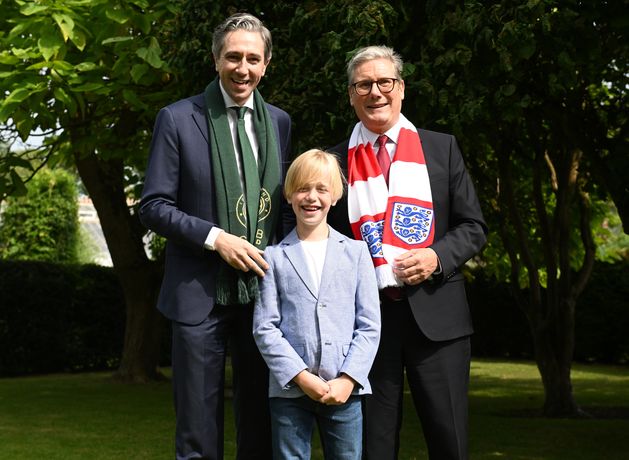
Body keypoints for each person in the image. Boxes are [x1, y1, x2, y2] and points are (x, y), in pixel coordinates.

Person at [139, 13, 291, 460]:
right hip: (198, 294)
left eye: (252, 59)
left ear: (266, 65)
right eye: (233, 57)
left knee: (261, 422)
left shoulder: (280, 123)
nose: (242, 68)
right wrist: (215, 238)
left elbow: (280, 209)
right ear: (215, 59)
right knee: (198, 431)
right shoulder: (178, 118)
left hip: (262, 294)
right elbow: (153, 206)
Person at [327, 46, 488, 460]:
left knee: (448, 441)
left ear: (402, 89)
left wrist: (436, 257)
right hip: (367, 325)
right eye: (364, 84)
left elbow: (473, 227)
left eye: (385, 82)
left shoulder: (442, 148)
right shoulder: (333, 162)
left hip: (439, 320)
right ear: (351, 94)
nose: (375, 92)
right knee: (372, 447)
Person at [253, 149, 381, 460]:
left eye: (321, 189)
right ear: (289, 195)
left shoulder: (356, 253)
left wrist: (349, 378)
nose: (312, 197)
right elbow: (265, 327)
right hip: (290, 390)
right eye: (303, 188)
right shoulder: (273, 257)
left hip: (344, 391)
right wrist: (301, 376)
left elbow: (369, 325)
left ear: (335, 196)